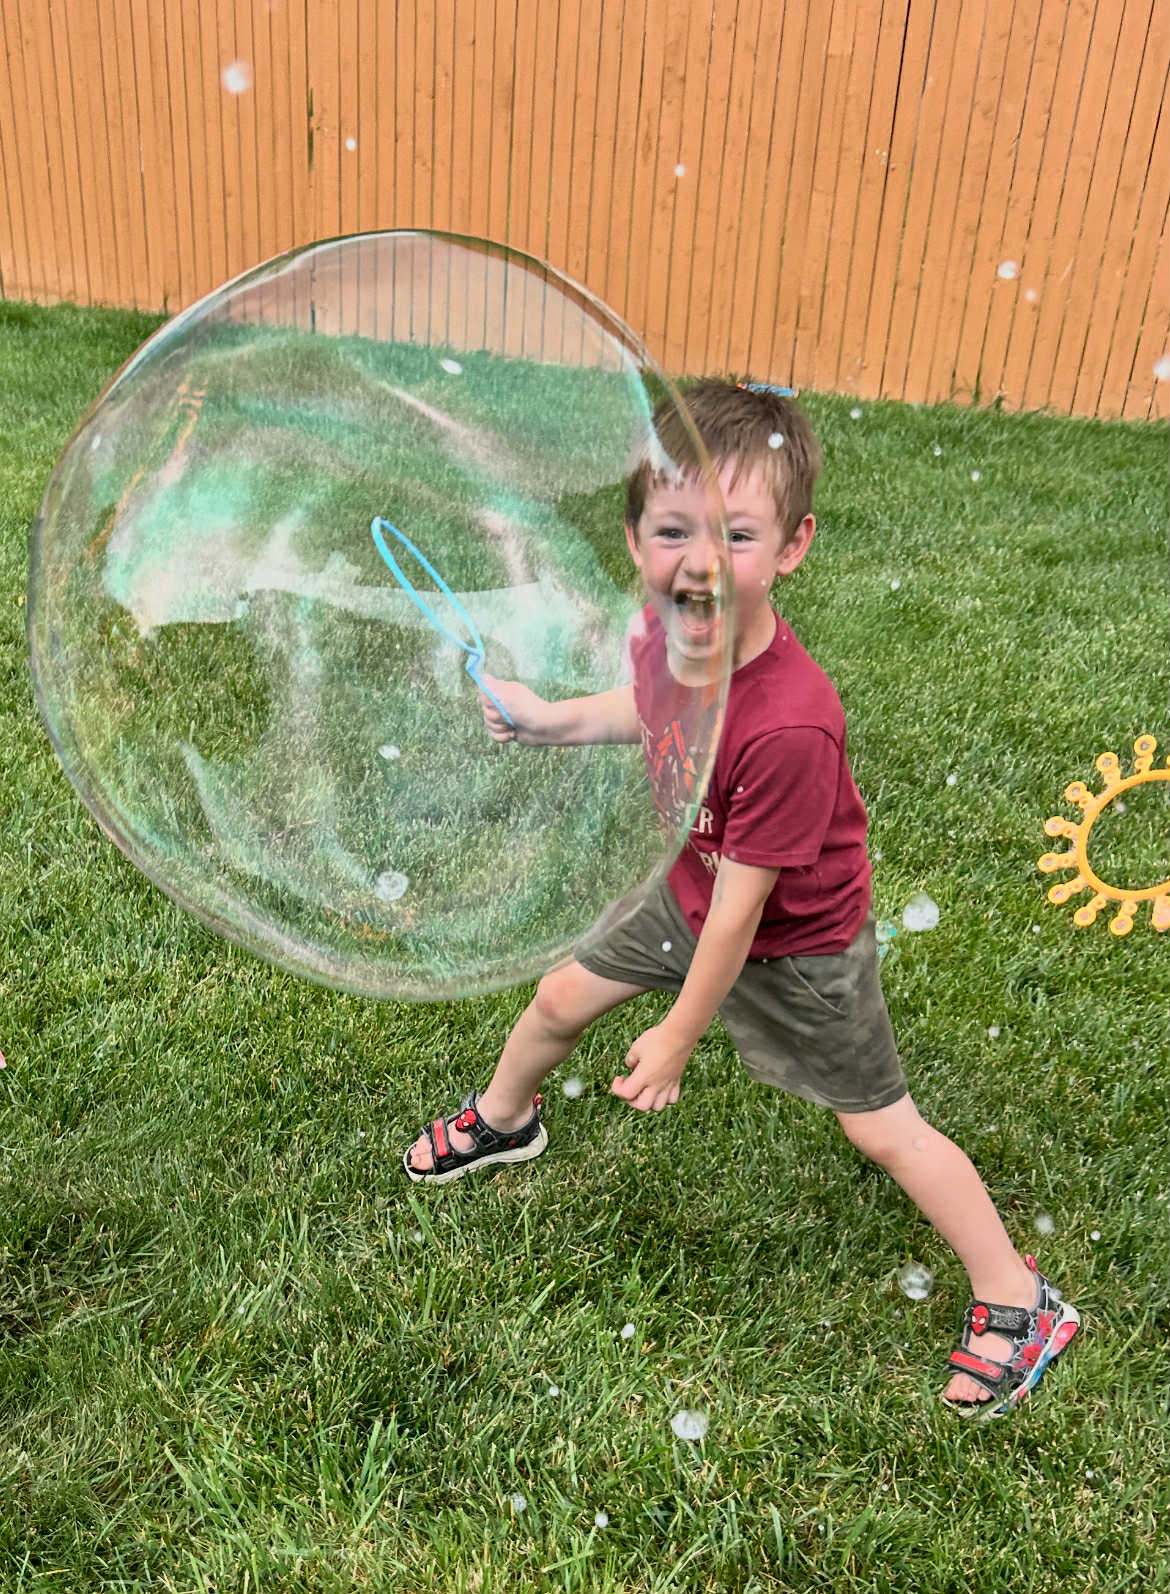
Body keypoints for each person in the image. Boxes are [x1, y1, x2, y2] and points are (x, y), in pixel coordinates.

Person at [402, 379, 1079, 1418]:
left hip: (794, 940)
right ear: (637, 538)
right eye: (675, 528)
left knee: (881, 1128)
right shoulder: (671, 634)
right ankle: (504, 1119)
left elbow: (745, 914)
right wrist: (550, 720)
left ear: (795, 545)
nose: (703, 560)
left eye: (739, 533)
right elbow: (650, 709)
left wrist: (678, 1032)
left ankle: (1019, 1297)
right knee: (556, 1001)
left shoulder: (792, 725)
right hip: (689, 887)